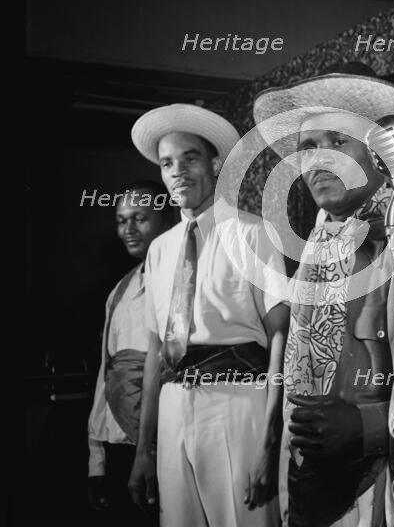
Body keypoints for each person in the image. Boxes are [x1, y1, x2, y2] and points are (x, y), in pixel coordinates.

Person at [254, 65, 394, 526]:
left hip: (389, 474)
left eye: (338, 142)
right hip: (311, 471)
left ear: (377, 153)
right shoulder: (318, 238)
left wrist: (369, 426)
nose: (320, 159)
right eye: (308, 147)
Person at [127, 104, 290, 527]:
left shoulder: (254, 234)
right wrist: (144, 449)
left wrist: (270, 440)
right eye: (167, 163)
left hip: (237, 407)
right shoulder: (161, 250)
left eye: (190, 158)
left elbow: (281, 338)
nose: (177, 171)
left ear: (215, 163)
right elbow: (154, 352)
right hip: (173, 408)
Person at [88, 180, 173, 525]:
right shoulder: (119, 292)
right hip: (118, 444)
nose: (128, 229)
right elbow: (105, 377)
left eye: (140, 218)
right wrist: (96, 461)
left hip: (163, 442)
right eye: (122, 220)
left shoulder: (181, 281)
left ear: (166, 219)